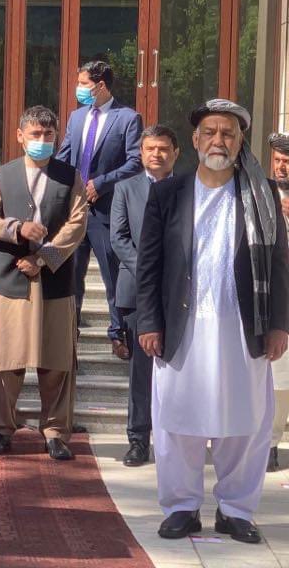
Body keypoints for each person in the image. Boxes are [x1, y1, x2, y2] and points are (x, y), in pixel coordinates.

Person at [136, 99, 289, 543]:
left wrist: (280, 324)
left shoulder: (261, 194)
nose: (218, 140)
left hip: (244, 325)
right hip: (181, 325)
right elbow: (149, 265)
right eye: (210, 132)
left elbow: (279, 264)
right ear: (195, 139)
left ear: (240, 142)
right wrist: (148, 321)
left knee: (245, 421)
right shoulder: (169, 193)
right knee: (176, 420)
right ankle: (181, 507)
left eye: (228, 133)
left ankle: (236, 510)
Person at [0, 106, 88, 460]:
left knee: (57, 360)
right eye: (35, 134)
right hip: (9, 278)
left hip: (54, 278)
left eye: (48, 135)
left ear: (56, 137)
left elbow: (77, 225)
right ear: (20, 136)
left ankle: (55, 433)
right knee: (4, 358)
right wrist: (17, 228)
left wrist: (42, 258)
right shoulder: (0, 175)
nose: (41, 140)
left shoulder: (70, 177)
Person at [56, 61, 142, 357]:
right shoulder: (76, 116)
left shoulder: (127, 118)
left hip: (107, 212)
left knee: (113, 278)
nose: (78, 89)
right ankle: (69, 331)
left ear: (101, 85)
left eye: (84, 84)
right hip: (75, 211)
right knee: (71, 276)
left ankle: (119, 334)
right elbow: (65, 156)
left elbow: (135, 161)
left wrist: (101, 184)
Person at [110, 125, 179, 467]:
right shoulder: (125, 188)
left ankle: (177, 439)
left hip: (180, 291)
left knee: (179, 369)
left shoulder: (189, 188)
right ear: (141, 153)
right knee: (141, 371)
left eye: (163, 148)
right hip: (138, 290)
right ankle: (138, 440)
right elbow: (119, 238)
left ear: (176, 153)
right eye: (150, 148)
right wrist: (151, 271)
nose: (157, 154)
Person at [267, 132, 289, 472]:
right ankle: (269, 444)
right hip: (276, 299)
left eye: (287, 162)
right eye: (277, 160)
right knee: (278, 380)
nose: (282, 167)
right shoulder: (263, 193)